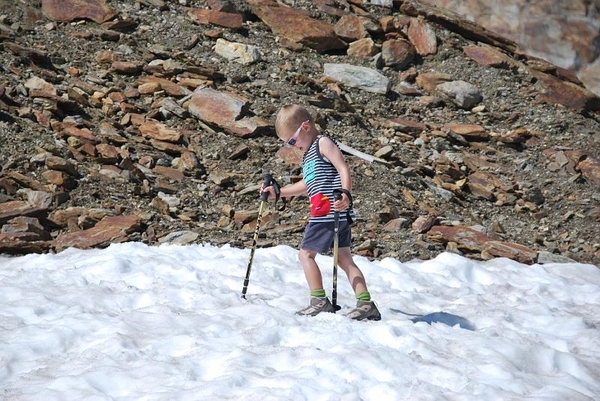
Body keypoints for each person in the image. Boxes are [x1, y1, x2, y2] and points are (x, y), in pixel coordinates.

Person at [261, 104, 381, 321]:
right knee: (344, 258)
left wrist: (345, 194)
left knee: (305, 254)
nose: (291, 146)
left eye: (291, 140)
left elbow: (343, 168)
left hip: (328, 212)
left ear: (305, 127)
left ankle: (319, 300)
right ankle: (366, 304)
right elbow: (308, 185)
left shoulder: (322, 143)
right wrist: (279, 193)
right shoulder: (308, 155)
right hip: (330, 213)